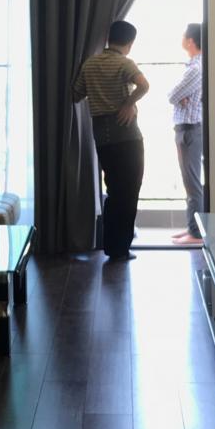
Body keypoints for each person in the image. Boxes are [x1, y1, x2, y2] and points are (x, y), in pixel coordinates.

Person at [72, 20, 150, 262]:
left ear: (109, 38)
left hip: (102, 138)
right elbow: (144, 85)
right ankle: (121, 248)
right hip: (127, 136)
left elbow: (76, 95)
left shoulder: (90, 64)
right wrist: (128, 103)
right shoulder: (124, 63)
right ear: (129, 42)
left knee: (114, 190)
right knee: (130, 191)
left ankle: (111, 246)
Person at [169, 22, 204, 246]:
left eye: (184, 35)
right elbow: (177, 96)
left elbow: (172, 95)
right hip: (189, 128)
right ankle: (192, 227)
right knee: (190, 182)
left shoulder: (195, 69)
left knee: (192, 183)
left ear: (190, 41)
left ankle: (197, 233)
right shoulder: (195, 66)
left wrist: (178, 97)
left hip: (189, 129)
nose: (182, 38)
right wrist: (179, 96)